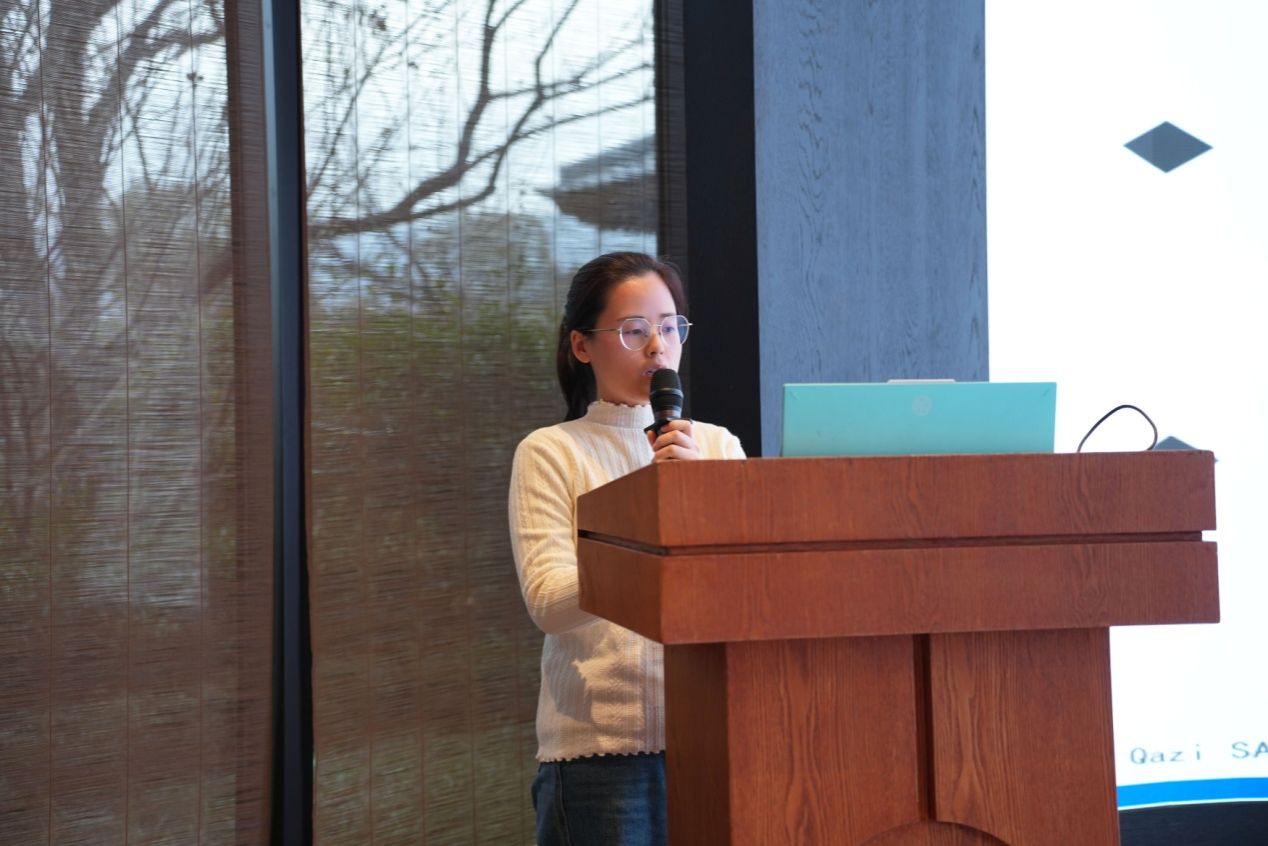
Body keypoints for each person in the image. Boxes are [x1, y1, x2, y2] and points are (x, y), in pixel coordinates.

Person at [508, 252, 745, 845]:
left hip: (718, 738)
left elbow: (746, 593)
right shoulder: (551, 451)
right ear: (582, 345)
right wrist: (651, 511)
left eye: (669, 327)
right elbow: (549, 603)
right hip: (602, 756)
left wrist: (702, 501)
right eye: (634, 331)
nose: (658, 347)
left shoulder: (717, 447)